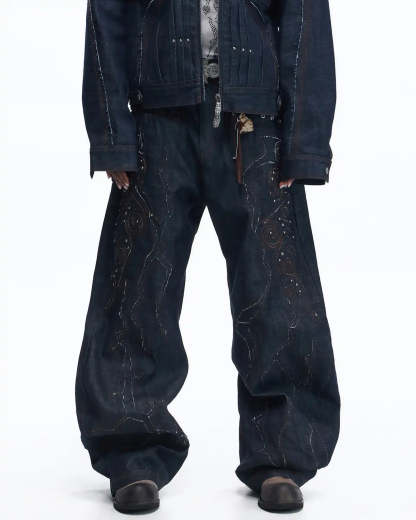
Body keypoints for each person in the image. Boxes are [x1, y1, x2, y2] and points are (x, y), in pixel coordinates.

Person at [76, 0, 340, 513]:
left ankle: (282, 455)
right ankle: (132, 452)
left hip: (256, 125)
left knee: (279, 293)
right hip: (157, 121)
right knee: (136, 289)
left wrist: (304, 141)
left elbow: (306, 15)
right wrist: (112, 135)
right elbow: (106, 12)